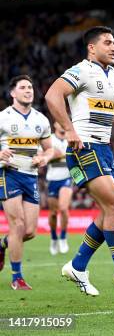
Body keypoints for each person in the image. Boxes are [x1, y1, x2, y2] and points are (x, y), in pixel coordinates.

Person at [45, 26, 114, 296]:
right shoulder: (80, 71)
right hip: (83, 147)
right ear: (92, 47)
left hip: (103, 149)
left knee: (108, 211)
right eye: (107, 43)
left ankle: (78, 265)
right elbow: (52, 95)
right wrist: (68, 129)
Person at [0, 75, 54, 290]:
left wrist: (44, 158)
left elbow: (50, 149)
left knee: (29, 231)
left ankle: (2, 244)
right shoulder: (3, 117)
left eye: (30, 87)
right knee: (17, 224)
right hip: (8, 173)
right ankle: (17, 277)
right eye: (23, 87)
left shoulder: (40, 119)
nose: (28, 90)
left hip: (30, 176)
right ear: (13, 93)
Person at [46, 122, 73, 255]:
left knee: (63, 208)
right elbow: (40, 156)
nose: (62, 124)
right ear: (55, 125)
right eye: (58, 122)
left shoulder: (71, 138)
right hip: (52, 179)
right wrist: (51, 155)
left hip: (66, 178)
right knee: (52, 213)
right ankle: (53, 237)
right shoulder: (49, 139)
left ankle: (63, 237)